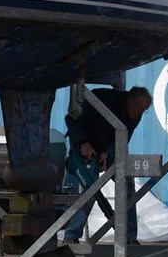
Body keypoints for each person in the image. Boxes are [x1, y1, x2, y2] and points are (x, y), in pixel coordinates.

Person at [60, 86, 152, 245]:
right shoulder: (101, 100)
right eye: (139, 109)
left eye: (144, 111)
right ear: (130, 102)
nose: (140, 115)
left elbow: (123, 139)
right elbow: (71, 119)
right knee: (91, 188)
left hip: (107, 150)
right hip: (84, 146)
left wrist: (107, 153)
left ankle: (129, 237)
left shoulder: (135, 115)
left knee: (127, 186)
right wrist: (83, 142)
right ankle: (71, 236)